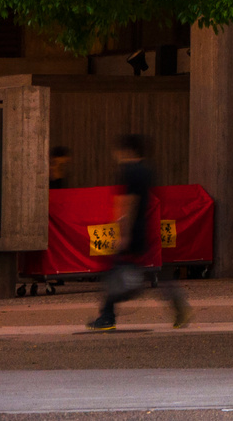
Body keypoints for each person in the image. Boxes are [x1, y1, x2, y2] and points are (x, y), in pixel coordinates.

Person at [87, 134, 191, 331]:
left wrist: (123, 233)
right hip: (147, 228)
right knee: (153, 273)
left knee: (113, 273)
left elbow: (128, 202)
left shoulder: (129, 171)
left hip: (132, 230)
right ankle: (178, 305)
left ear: (127, 150)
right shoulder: (147, 170)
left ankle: (107, 316)